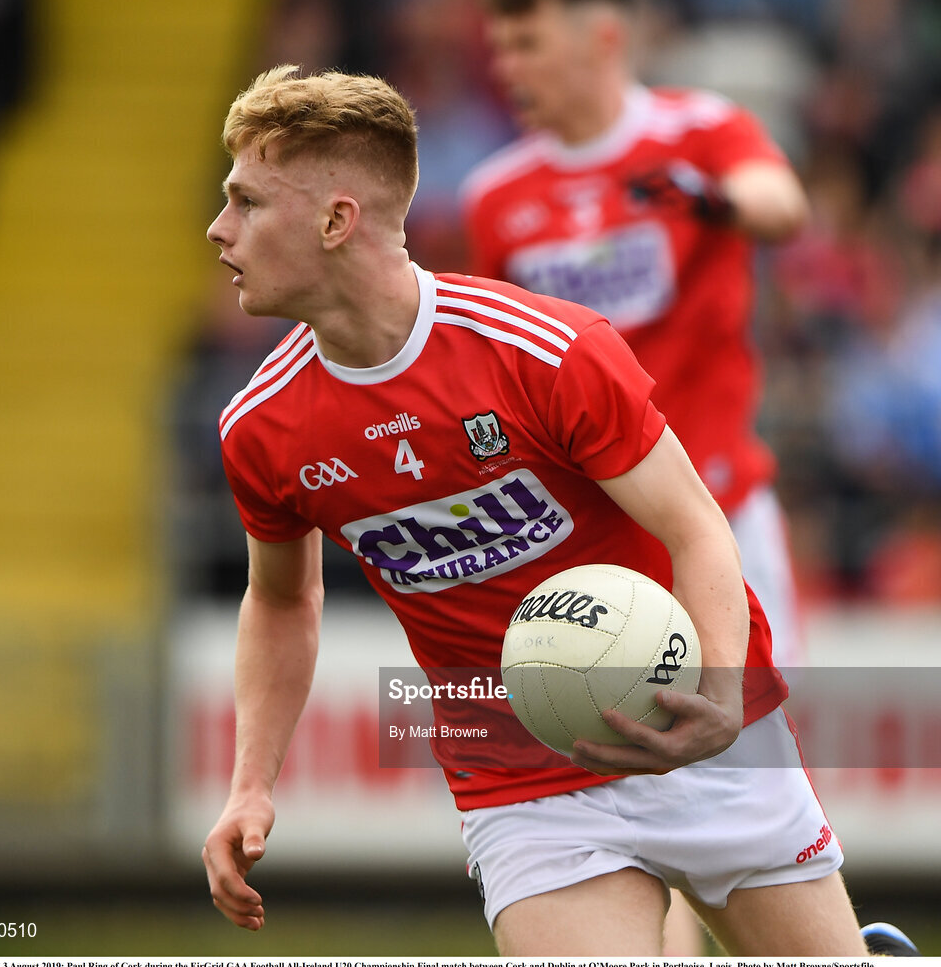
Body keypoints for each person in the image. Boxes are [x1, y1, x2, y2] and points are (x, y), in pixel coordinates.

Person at [200, 63, 874, 956]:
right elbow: (283, 600)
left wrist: (718, 693)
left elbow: (695, 524)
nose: (219, 229)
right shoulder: (262, 425)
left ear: (336, 221)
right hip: (519, 776)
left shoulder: (548, 352)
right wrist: (251, 783)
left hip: (700, 726)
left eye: (246, 201)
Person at [461, 0, 809, 673]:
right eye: (500, 47)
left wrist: (712, 201)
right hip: (592, 536)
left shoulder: (699, 131)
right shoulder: (494, 195)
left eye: (527, 44)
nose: (506, 67)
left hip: (722, 505)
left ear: (604, 38)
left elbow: (782, 205)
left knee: (762, 726)